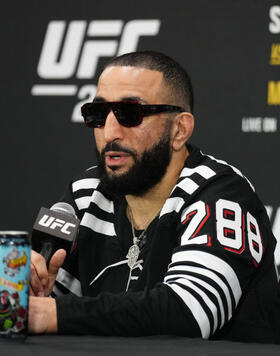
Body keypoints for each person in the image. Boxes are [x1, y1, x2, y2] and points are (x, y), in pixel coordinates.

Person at [28, 51, 280, 343]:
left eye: (130, 114)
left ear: (179, 129)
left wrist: (55, 314)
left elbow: (189, 312)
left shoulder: (219, 192)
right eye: (98, 115)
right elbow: (40, 297)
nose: (110, 132)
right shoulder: (86, 194)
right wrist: (28, 289)